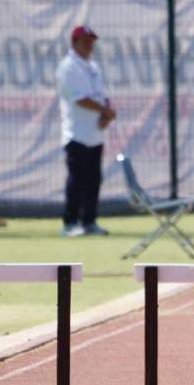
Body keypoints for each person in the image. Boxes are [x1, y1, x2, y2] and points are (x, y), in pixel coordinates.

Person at [56, 25, 115, 237]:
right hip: (76, 134)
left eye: (91, 41)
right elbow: (79, 99)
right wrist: (104, 110)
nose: (89, 45)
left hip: (95, 134)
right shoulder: (68, 67)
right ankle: (70, 223)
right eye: (85, 41)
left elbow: (102, 94)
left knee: (93, 180)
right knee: (76, 180)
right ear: (74, 42)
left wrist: (106, 115)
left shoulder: (93, 66)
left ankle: (89, 221)